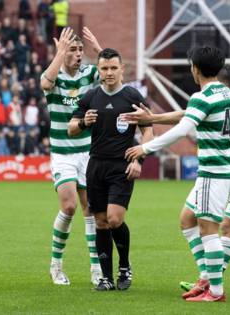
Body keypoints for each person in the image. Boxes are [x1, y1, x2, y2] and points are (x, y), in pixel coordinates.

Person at [122, 65, 230, 299]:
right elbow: (189, 114)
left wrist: (147, 143)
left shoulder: (227, 102)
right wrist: (154, 117)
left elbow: (191, 119)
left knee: (226, 228)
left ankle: (209, 281)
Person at [126, 47, 230, 302]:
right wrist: (226, 141)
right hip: (226, 170)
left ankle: (215, 291)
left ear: (195, 69)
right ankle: (206, 277)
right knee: (187, 219)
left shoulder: (201, 97)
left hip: (212, 173)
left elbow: (183, 129)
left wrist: (145, 147)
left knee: (208, 228)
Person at [68, 48, 153, 291]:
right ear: (98, 70)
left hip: (122, 165)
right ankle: (106, 278)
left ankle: (124, 267)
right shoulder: (91, 97)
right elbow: (71, 127)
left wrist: (139, 158)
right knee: (101, 222)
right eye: (104, 68)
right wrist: (84, 122)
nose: (109, 73)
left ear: (121, 69)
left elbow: (148, 128)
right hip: (96, 165)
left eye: (113, 68)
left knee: (115, 219)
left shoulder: (132, 96)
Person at [40, 26, 104, 286]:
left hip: (87, 152)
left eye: (80, 50)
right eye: (73, 50)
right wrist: (59, 53)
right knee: (69, 206)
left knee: (90, 209)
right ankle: (56, 265)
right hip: (63, 153)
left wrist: (98, 49)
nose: (78, 54)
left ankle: (96, 267)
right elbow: (45, 82)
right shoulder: (54, 76)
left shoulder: (89, 74)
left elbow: (115, 73)